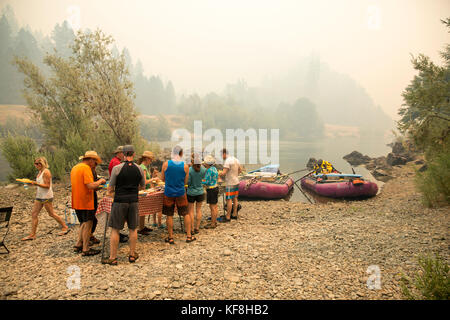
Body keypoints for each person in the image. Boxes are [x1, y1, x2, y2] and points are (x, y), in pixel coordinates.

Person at [102, 145, 146, 265]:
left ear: (124, 154)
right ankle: (132, 254)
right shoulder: (139, 169)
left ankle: (113, 257)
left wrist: (112, 193)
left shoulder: (117, 168)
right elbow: (143, 186)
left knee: (115, 229)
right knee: (133, 228)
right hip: (133, 201)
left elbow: (110, 188)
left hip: (120, 201)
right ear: (134, 154)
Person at [21, 157, 70, 241]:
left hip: (46, 196)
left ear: (42, 163)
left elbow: (47, 186)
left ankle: (65, 226)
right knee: (34, 214)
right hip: (39, 196)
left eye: (37, 163)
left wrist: (36, 184)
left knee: (51, 213)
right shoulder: (40, 172)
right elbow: (41, 184)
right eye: (35, 163)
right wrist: (32, 184)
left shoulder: (46, 172)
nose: (35, 165)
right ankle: (32, 234)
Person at [71, 151, 106, 256]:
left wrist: (97, 186)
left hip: (77, 199)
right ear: (91, 160)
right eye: (95, 162)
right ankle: (86, 248)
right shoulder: (86, 168)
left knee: (83, 222)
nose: (95, 165)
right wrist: (101, 181)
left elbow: (83, 184)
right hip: (86, 200)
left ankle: (78, 244)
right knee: (88, 223)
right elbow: (90, 186)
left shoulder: (75, 168)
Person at [160, 146, 192, 244]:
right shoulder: (185, 166)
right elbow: (185, 181)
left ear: (173, 153)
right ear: (181, 154)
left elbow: (162, 179)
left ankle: (170, 237)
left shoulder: (166, 164)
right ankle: (189, 236)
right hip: (181, 192)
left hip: (168, 192)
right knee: (185, 213)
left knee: (169, 215)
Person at [108, 145, 128, 243]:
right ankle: (117, 234)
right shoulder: (116, 162)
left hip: (116, 188)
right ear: (119, 153)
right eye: (123, 153)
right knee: (118, 214)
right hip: (118, 189)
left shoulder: (115, 161)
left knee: (118, 213)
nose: (124, 155)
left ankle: (117, 233)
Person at [219, 148, 241, 222]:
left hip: (230, 182)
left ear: (224, 154)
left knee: (228, 199)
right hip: (236, 181)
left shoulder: (227, 161)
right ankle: (234, 214)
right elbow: (240, 170)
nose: (222, 157)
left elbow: (224, 172)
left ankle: (228, 216)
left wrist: (218, 173)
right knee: (235, 198)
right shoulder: (236, 159)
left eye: (221, 155)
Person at [187, 153, 206, 234]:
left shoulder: (190, 170)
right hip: (200, 192)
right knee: (198, 210)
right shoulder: (203, 169)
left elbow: (188, 182)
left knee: (190, 211)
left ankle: (191, 229)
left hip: (191, 192)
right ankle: (197, 228)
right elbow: (204, 180)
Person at [136, 151, 155, 236]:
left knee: (142, 210)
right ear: (147, 159)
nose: (151, 161)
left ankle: (142, 226)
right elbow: (144, 182)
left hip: (143, 190)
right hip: (142, 191)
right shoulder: (143, 168)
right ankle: (141, 228)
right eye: (151, 159)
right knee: (142, 210)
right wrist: (153, 179)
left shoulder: (142, 167)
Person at [201, 155, 219, 229]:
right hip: (215, 187)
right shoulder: (214, 169)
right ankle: (214, 221)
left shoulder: (209, 170)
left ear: (207, 163)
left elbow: (207, 181)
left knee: (212, 207)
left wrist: (200, 181)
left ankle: (212, 223)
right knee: (215, 206)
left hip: (211, 189)